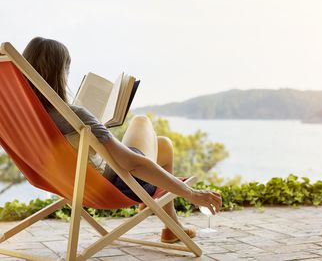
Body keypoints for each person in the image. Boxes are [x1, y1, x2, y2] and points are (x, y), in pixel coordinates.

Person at [22, 37, 222, 243]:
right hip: (116, 184)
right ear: (60, 73)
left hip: (64, 181)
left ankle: (172, 226)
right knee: (143, 122)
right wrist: (191, 194)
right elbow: (133, 164)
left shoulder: (21, 116)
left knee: (162, 145)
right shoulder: (74, 115)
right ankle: (167, 219)